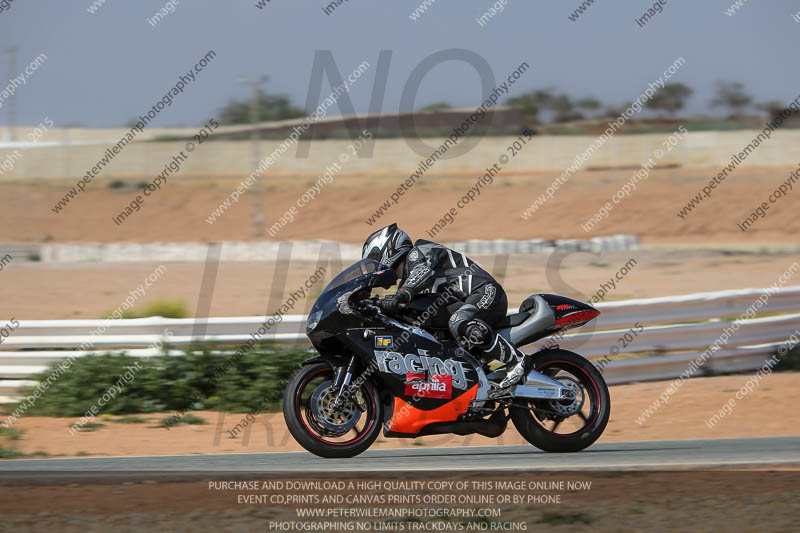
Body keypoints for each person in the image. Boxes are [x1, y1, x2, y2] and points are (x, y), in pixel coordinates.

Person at [362, 223, 532, 388]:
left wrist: (402, 295)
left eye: (374, 258)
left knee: (458, 321)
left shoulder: (419, 252)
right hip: (464, 303)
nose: (374, 266)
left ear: (388, 249)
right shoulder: (406, 282)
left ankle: (517, 360)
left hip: (486, 291)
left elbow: (423, 271)